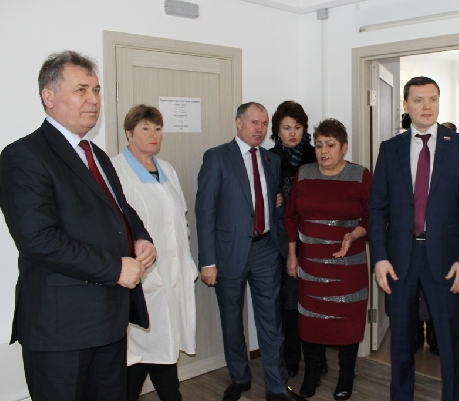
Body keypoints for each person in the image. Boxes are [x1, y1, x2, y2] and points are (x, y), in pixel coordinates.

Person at [0, 51, 157, 401]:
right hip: (61, 329)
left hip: (109, 321)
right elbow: (38, 239)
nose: (94, 100)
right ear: (49, 96)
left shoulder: (95, 154)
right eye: (81, 90)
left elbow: (121, 210)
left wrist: (140, 237)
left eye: (96, 90)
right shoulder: (24, 155)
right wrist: (115, 267)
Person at [369, 76, 459, 401]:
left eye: (433, 99)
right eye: (418, 100)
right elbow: (377, 208)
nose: (427, 106)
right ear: (406, 105)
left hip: (447, 261)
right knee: (401, 343)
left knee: (451, 344)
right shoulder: (390, 149)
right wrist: (379, 257)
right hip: (399, 260)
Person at [195, 102, 305, 401]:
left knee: (272, 322)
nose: (260, 129)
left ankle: (277, 386)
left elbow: (274, 205)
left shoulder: (271, 160)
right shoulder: (217, 157)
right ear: (238, 123)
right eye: (254, 122)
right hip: (228, 253)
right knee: (232, 320)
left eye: (264, 123)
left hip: (265, 250)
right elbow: (205, 212)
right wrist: (208, 261)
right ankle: (239, 377)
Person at [111, 105, 198, 401]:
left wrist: (186, 262)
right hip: (143, 281)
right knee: (146, 353)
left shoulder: (167, 170)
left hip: (172, 277)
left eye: (158, 128)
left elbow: (180, 220)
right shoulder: (116, 171)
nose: (153, 135)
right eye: (145, 128)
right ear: (129, 133)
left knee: (154, 353)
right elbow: (116, 227)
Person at [285, 118, 371, 400]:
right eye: (319, 145)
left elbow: (372, 216)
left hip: (348, 269)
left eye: (330, 145)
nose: (323, 151)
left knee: (347, 322)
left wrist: (354, 233)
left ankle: (346, 374)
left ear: (344, 147)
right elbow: (290, 217)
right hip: (311, 265)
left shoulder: (360, 175)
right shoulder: (304, 173)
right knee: (311, 320)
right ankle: (312, 372)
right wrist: (292, 255)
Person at [268, 101, 318, 378]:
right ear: (277, 130)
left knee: (314, 301)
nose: (292, 133)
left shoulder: (315, 155)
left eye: (297, 127)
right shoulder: (269, 158)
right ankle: (291, 358)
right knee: (288, 303)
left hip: (314, 238)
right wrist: (271, 201)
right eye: (286, 127)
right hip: (281, 241)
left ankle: (316, 358)